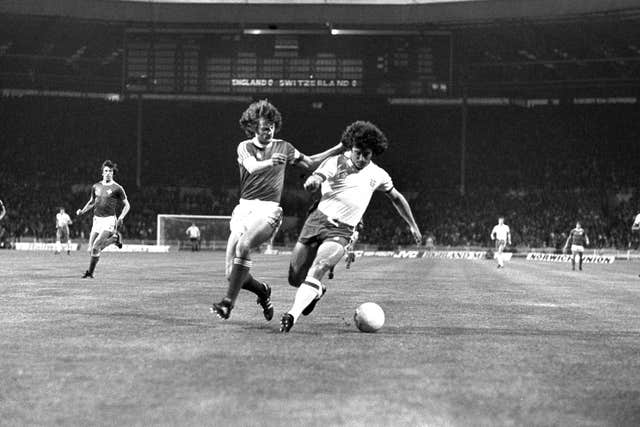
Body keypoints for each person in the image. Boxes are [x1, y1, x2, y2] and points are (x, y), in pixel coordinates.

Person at [280, 121, 422, 333]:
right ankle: (317, 291)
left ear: (373, 153)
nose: (362, 159)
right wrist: (312, 182)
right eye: (358, 153)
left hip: (342, 231)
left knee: (318, 268)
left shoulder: (378, 174)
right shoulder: (335, 162)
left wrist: (412, 225)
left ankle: (291, 316)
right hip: (316, 222)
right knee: (295, 278)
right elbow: (317, 177)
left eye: (367, 154)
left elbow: (397, 198)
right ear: (350, 149)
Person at [210, 99, 345, 321]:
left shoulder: (284, 146)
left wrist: (339, 148)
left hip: (269, 210)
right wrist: (271, 162)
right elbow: (252, 166)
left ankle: (227, 304)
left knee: (244, 246)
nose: (269, 131)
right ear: (254, 127)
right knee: (231, 274)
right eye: (265, 127)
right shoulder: (244, 147)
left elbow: (310, 163)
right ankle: (263, 291)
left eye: (272, 127)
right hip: (244, 209)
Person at [76, 160, 130, 278]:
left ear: (113, 173)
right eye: (106, 171)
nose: (108, 173)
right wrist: (82, 211)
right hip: (97, 220)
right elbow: (91, 202)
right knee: (91, 250)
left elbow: (127, 205)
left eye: (110, 171)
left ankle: (90, 273)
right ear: (102, 173)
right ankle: (114, 240)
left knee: (96, 246)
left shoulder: (117, 188)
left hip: (109, 220)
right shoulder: (96, 186)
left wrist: (121, 217)